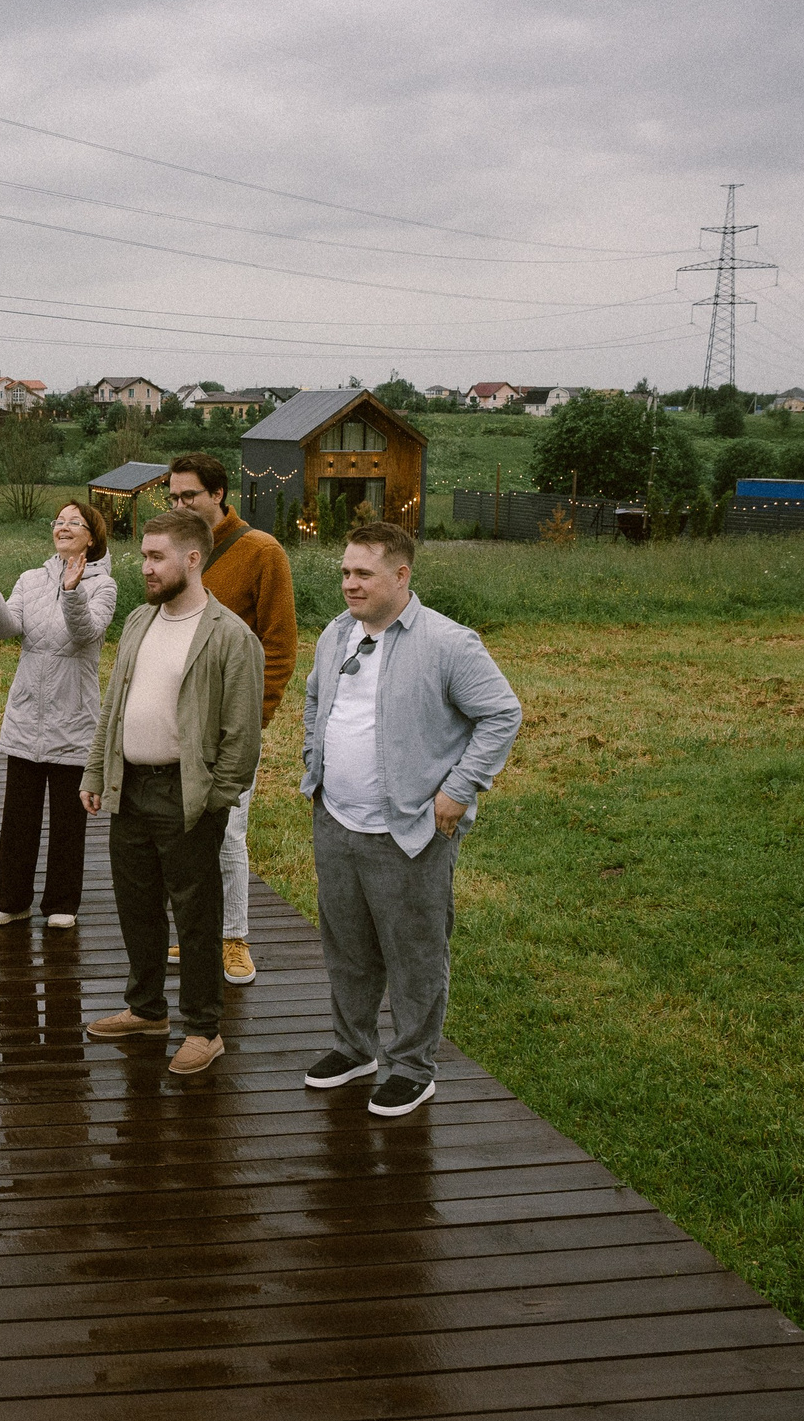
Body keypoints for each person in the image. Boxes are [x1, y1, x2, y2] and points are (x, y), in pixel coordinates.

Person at [299, 521, 522, 1117]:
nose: (349, 584)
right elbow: (316, 698)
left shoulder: (450, 642)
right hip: (337, 820)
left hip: (409, 830)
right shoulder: (336, 634)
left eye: (363, 573)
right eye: (345, 571)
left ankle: (413, 1068)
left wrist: (458, 790)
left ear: (402, 575)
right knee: (347, 947)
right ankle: (355, 1049)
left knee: (414, 953)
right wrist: (312, 765)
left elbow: (501, 713)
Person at [80, 511, 264, 1077]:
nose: (146, 567)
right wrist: (95, 774)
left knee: (196, 917)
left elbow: (242, 733)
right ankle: (147, 1010)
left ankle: (204, 1030)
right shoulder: (139, 620)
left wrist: (216, 800)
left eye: (157, 557)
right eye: (143, 557)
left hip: (189, 797)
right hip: (131, 789)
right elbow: (112, 707)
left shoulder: (230, 636)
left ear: (193, 559)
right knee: (137, 908)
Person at [0, 499, 118, 930]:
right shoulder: (29, 579)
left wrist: (72, 590)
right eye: (58, 522)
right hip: (27, 713)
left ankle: (62, 902)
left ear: (91, 536)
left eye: (73, 522)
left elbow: (85, 633)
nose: (63, 527)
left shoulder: (104, 586)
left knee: (68, 818)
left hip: (73, 715)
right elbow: (6, 628)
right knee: (19, 814)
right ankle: (11, 901)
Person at [169, 452, 298, 986]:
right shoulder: (180, 551)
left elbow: (281, 642)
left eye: (189, 496)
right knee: (184, 828)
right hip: (177, 717)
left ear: (218, 494)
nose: (180, 505)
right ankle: (196, 931)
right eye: (173, 497)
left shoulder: (261, 551)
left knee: (228, 831)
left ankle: (234, 936)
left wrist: (256, 713)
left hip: (231, 721)